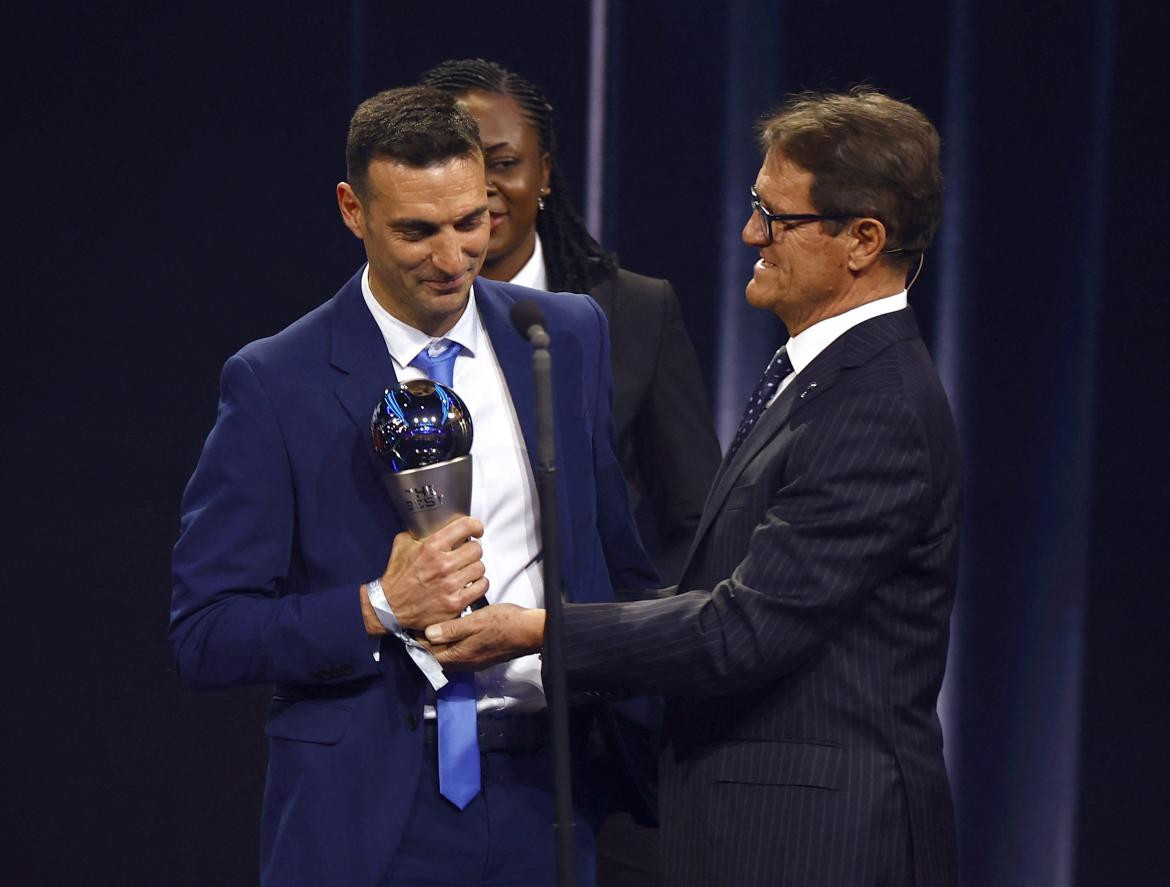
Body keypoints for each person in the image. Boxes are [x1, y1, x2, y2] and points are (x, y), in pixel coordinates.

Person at [426, 87, 962, 887]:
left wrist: (540, 629)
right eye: (755, 204)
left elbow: (740, 631)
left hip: (818, 842)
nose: (750, 232)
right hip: (753, 828)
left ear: (862, 239)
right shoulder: (819, 379)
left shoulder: (875, 406)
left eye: (776, 218)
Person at [169, 86, 657, 887]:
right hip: (368, 814)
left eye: (472, 222)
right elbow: (206, 631)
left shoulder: (562, 335)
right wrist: (378, 605)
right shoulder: (273, 381)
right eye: (416, 231)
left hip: (551, 796)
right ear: (352, 210)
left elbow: (617, 560)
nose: (451, 257)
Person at [420, 58, 721, 586]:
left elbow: (696, 520)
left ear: (545, 173)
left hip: (589, 656)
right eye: (457, 163)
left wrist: (625, 633)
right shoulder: (377, 316)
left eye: (504, 163)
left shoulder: (635, 312)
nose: (478, 189)